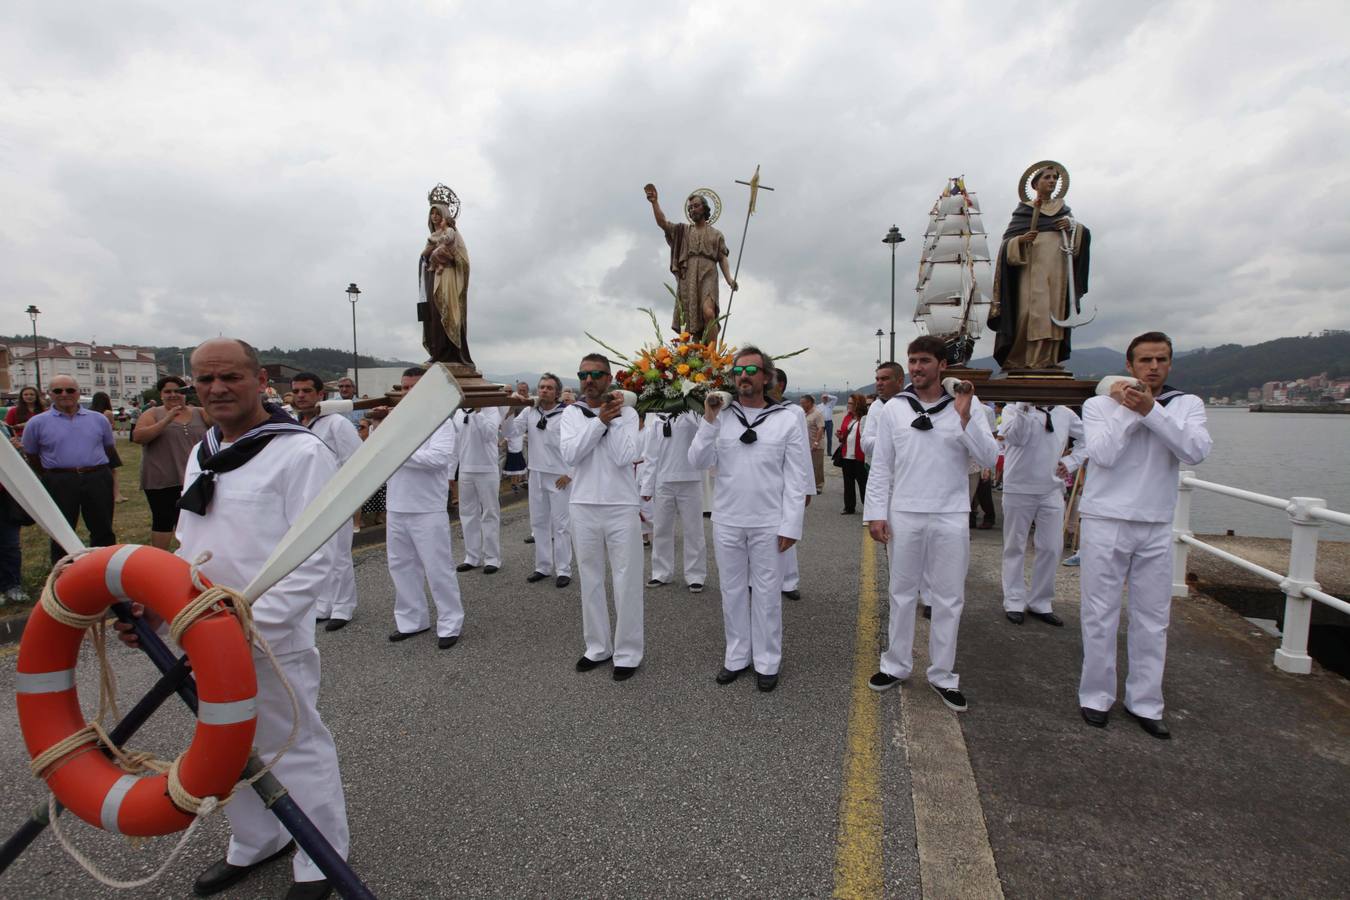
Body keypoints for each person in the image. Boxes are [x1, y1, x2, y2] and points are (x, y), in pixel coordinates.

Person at [116, 338, 347, 899]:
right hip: (201, 632)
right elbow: (193, 543)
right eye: (204, 379)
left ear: (258, 377)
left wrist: (245, 628)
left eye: (229, 377)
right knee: (225, 745)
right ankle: (257, 839)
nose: (216, 389)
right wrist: (157, 603)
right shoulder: (206, 449)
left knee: (291, 743)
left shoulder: (301, 453)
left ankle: (321, 856)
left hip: (266, 637)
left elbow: (317, 558)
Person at [1078, 333, 1211, 739]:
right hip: (1105, 518)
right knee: (1099, 613)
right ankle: (1096, 696)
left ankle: (1146, 701)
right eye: (1145, 360)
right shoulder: (1098, 405)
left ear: (1170, 364)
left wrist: (1152, 410)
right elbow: (1103, 454)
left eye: (1161, 360)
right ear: (1130, 365)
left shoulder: (1186, 405)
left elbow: (1195, 451)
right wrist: (1127, 409)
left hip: (1155, 521)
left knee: (1153, 617)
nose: (1153, 367)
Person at [863, 336, 998, 712]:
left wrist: (966, 415)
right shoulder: (894, 409)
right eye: (913, 361)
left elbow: (990, 456)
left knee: (949, 598)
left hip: (951, 512)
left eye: (925, 360)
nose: (918, 367)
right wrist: (875, 513)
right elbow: (882, 466)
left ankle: (942, 675)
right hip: (904, 511)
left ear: (942, 365)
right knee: (901, 593)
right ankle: (896, 665)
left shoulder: (967, 406)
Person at [690, 346, 811, 692]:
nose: (743, 377)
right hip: (727, 519)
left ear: (766, 376)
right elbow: (697, 460)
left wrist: (791, 525)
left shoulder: (788, 418)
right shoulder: (720, 416)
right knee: (731, 591)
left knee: (768, 593)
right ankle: (736, 656)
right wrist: (709, 418)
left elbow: (797, 477)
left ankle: (768, 661)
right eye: (738, 371)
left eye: (751, 371)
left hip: (768, 522)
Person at [560, 353, 644, 681]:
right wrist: (599, 423)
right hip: (582, 504)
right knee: (591, 579)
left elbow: (625, 456)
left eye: (596, 375)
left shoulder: (629, 412)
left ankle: (627, 652)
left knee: (626, 580)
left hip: (621, 505)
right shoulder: (571, 414)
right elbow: (571, 454)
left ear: (609, 379)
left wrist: (613, 418)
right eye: (583, 375)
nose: (588, 381)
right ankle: (597, 647)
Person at [381, 366, 464, 649]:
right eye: (404, 388)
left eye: (414, 388)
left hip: (427, 507)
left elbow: (438, 459)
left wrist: (398, 451)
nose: (407, 393)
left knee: (437, 567)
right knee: (401, 566)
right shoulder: (393, 421)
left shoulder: (441, 421)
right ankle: (412, 620)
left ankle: (450, 622)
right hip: (397, 505)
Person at [988, 163, 1091, 371]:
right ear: (1035, 183)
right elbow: (1007, 244)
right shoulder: (1025, 211)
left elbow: (1080, 238)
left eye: (1054, 177)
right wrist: (1021, 240)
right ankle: (1021, 358)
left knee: (1054, 312)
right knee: (1028, 313)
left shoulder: (1064, 211)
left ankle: (1047, 359)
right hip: (1031, 268)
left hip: (1058, 269)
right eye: (1047, 177)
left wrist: (1073, 227)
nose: (1051, 181)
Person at [998, 401, 1085, 626]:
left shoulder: (1064, 412)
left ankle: (1041, 601)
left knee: (1051, 546)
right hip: (1018, 487)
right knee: (1014, 546)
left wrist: (1071, 461)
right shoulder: (1011, 410)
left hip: (1052, 489)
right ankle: (1014, 600)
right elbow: (1016, 437)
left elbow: (1089, 439)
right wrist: (1024, 406)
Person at [291, 372, 363, 631]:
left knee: (339, 555)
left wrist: (343, 493)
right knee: (316, 556)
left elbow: (356, 459)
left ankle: (344, 606)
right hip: (306, 499)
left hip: (335, 498)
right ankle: (323, 604)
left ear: (321, 394)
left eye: (307, 391)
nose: (301, 396)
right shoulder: (294, 423)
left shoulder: (336, 423)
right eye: (296, 391)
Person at [22, 374, 116, 563]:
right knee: (61, 529)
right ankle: (63, 573)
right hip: (60, 480)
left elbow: (108, 446)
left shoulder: (98, 419)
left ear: (78, 393)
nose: (64, 394)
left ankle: (105, 567)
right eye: (58, 390)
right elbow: (31, 453)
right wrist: (50, 474)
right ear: (49, 394)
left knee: (103, 527)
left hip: (96, 476)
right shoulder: (37, 423)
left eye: (70, 390)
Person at [502, 374, 574, 588]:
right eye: (541, 387)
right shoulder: (529, 411)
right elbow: (511, 432)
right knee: (539, 522)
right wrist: (508, 409)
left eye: (549, 388)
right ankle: (543, 566)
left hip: (559, 476)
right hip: (536, 473)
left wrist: (571, 473)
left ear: (557, 392)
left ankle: (564, 569)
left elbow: (577, 445)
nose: (544, 391)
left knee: (561, 525)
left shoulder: (568, 413)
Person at [644, 184, 737, 344]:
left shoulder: (716, 234)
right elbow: (663, 223)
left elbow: (722, 258)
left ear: (704, 208)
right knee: (691, 317)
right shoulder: (683, 230)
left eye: (696, 206)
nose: (692, 210)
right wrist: (654, 203)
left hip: (708, 272)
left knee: (709, 312)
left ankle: (712, 354)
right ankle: (697, 347)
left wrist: (729, 279)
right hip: (689, 274)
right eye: (690, 208)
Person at [131, 375, 211, 550]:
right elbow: (138, 437)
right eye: (168, 391)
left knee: (196, 521)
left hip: (194, 478)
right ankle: (160, 560)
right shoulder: (152, 413)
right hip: (162, 478)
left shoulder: (199, 412)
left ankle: (191, 556)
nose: (173, 395)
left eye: (178, 391)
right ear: (161, 395)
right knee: (163, 520)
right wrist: (167, 418)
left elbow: (221, 423)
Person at [639, 407, 707, 593]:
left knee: (694, 530)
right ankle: (661, 572)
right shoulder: (656, 419)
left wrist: (687, 404)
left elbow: (704, 426)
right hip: (663, 480)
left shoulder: (692, 413)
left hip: (690, 478)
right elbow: (651, 456)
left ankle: (695, 575)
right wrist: (647, 485)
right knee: (661, 529)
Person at [420, 185, 475, 367]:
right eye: (432, 214)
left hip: (449, 278)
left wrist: (447, 257)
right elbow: (425, 257)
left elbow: (463, 259)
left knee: (448, 312)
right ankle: (437, 352)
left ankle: (450, 353)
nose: (434, 217)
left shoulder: (453, 234)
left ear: (444, 216)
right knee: (434, 314)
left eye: (437, 213)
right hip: (433, 278)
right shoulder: (433, 236)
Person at [453, 402, 504, 574]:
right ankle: (472, 557)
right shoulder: (459, 412)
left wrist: (478, 412)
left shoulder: (491, 409)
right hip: (466, 469)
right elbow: (455, 443)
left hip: (487, 469)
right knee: (467, 514)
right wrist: (451, 472)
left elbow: (490, 434)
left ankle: (492, 558)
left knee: (489, 513)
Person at [88, 392, 128, 503]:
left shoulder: (90, 412)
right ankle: (117, 495)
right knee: (113, 470)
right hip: (106, 444)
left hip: (94, 445)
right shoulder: (107, 413)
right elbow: (111, 427)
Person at [860, 362, 903, 457]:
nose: (879, 383)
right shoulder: (876, 406)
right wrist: (895, 439)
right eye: (877, 379)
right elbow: (865, 445)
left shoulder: (911, 403)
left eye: (884, 379)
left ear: (899, 381)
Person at [837, 393, 868, 514]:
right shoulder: (847, 417)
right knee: (848, 483)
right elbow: (845, 435)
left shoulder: (865, 418)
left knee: (863, 484)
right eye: (848, 403)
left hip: (860, 456)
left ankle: (869, 508)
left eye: (851, 403)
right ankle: (849, 507)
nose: (848, 405)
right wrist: (840, 437)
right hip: (847, 455)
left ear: (857, 404)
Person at [801, 394, 826, 493]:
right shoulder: (804, 414)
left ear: (809, 402)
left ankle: (818, 486)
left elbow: (820, 429)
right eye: (801, 403)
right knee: (807, 465)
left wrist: (816, 442)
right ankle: (809, 484)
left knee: (817, 466)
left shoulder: (817, 413)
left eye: (803, 403)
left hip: (816, 445)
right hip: (807, 445)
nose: (801, 405)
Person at [819, 392, 838, 457]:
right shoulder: (819, 406)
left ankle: (829, 452)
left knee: (829, 438)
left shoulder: (831, 404)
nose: (825, 399)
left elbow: (836, 398)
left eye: (826, 398)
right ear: (821, 399)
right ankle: (821, 451)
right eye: (824, 398)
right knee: (821, 438)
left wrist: (828, 396)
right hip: (822, 423)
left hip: (829, 422)